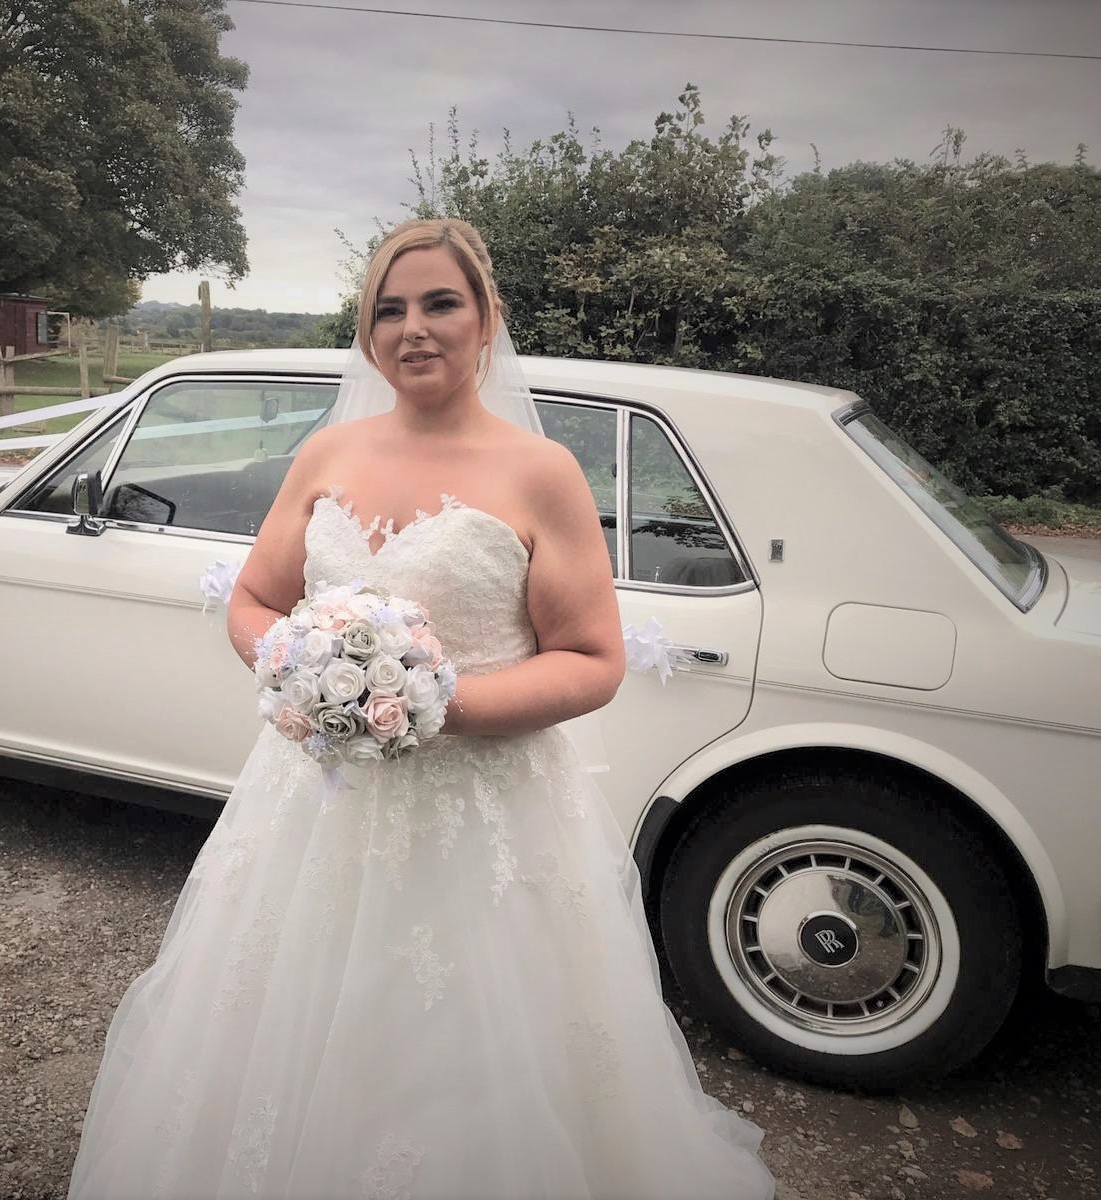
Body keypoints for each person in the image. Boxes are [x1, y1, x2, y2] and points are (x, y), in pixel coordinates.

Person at [67, 218, 776, 1199]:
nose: (413, 328)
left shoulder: (540, 473)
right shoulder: (326, 454)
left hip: (481, 822)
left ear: (486, 318)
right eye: (388, 310)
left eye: (441, 303)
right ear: (367, 334)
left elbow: (593, 661)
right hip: (316, 810)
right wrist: (302, 668)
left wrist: (429, 702)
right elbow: (255, 600)